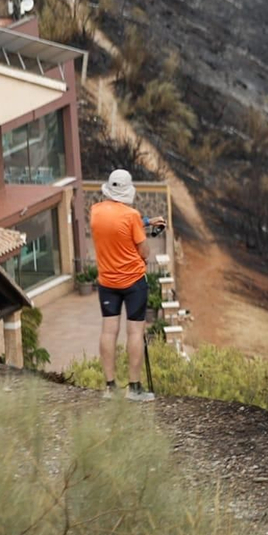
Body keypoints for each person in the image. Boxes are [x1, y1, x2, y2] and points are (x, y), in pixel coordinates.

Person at [90, 169, 165, 401]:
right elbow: (144, 250)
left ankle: (110, 387)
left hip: (107, 282)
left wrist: (145, 221)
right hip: (133, 281)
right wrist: (145, 229)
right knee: (134, 332)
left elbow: (116, 223)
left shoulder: (95, 211)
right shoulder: (131, 215)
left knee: (108, 331)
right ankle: (134, 388)